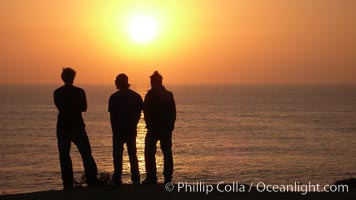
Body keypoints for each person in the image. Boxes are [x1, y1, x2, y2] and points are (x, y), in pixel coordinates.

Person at [53, 68, 99, 190]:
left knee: (64, 156)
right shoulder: (79, 92)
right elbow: (84, 107)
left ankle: (67, 184)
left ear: (62, 78)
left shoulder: (57, 92)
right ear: (73, 77)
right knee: (86, 154)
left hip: (63, 126)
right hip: (77, 125)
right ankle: (92, 179)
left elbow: (60, 107)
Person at [108, 74, 143, 185]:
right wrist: (134, 124)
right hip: (131, 129)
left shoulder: (114, 97)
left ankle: (117, 178)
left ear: (120, 82)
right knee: (132, 154)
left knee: (117, 155)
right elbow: (140, 113)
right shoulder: (136, 96)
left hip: (118, 130)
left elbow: (112, 117)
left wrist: (114, 129)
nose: (114, 82)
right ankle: (136, 178)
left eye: (116, 81)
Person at [142, 71, 176, 184]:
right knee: (167, 152)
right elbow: (173, 112)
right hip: (165, 128)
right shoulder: (169, 94)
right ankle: (168, 177)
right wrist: (171, 126)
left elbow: (146, 111)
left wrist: (149, 124)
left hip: (153, 128)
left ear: (153, 82)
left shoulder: (150, 95)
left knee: (149, 152)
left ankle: (151, 177)